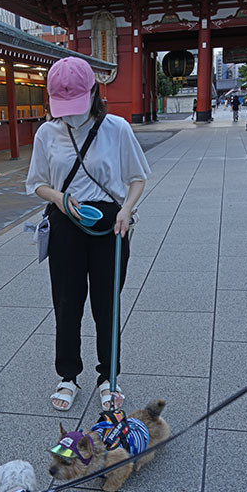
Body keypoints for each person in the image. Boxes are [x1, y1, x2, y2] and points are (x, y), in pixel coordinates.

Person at [26, 57, 150, 412]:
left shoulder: (117, 128)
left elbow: (137, 178)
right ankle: (68, 375)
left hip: (110, 223)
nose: (70, 114)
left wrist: (126, 210)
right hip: (65, 222)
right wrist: (58, 198)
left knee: (107, 304)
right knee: (67, 303)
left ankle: (109, 377)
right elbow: (36, 183)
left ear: (94, 92)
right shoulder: (46, 133)